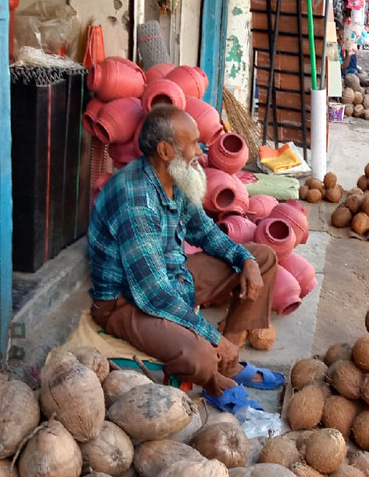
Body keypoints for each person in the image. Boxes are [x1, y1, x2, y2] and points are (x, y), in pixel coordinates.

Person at [87, 105, 283, 412]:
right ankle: (215, 379)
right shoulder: (135, 197)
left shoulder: (176, 177)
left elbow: (205, 232)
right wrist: (209, 335)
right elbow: (153, 293)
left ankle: (227, 362)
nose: (201, 150)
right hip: (126, 302)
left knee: (263, 259)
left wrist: (245, 259)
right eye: (192, 143)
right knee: (199, 354)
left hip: (173, 277)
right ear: (165, 150)